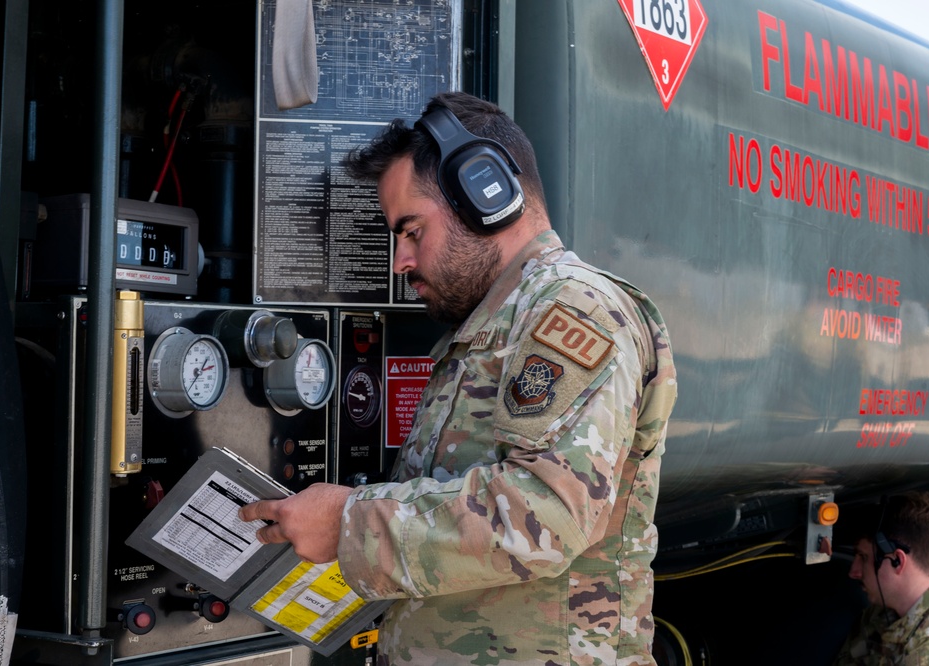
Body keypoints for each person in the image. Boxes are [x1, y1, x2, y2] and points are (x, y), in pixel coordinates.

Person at [238, 91, 677, 665]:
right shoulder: (492, 326)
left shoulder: (574, 312)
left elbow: (542, 515)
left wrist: (350, 523)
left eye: (412, 230)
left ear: (485, 194)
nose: (400, 261)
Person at [832, 491, 929, 665]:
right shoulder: (879, 613)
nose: (854, 572)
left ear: (897, 561)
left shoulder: (923, 655)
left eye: (863, 557)